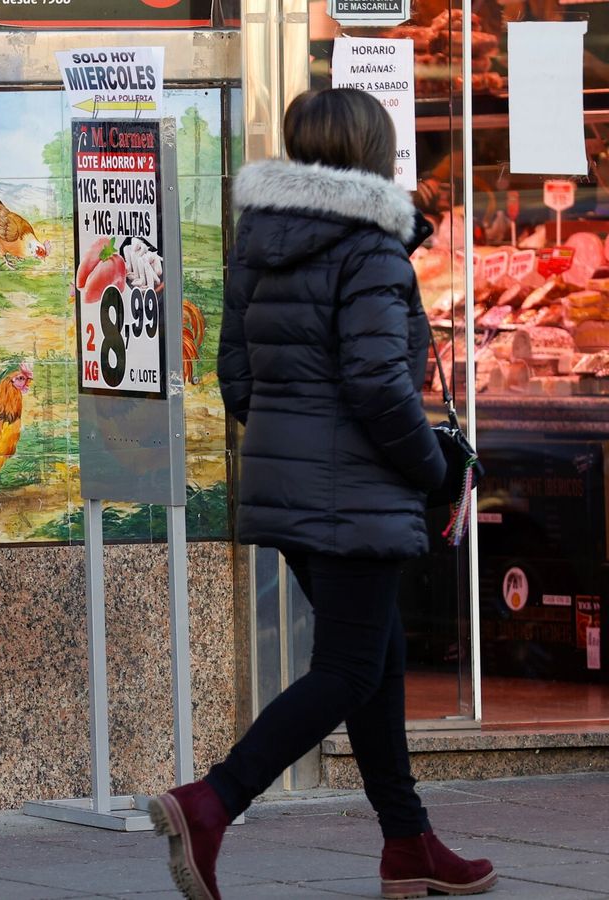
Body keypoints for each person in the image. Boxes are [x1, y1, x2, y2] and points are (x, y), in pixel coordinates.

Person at [149, 89, 498, 900]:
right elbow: (379, 384)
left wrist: (293, 443)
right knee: (347, 667)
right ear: (372, 155)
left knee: (378, 658)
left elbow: (235, 376)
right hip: (356, 494)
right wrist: (433, 470)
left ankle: (408, 843)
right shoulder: (371, 252)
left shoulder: (261, 246)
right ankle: (212, 802)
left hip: (293, 486)